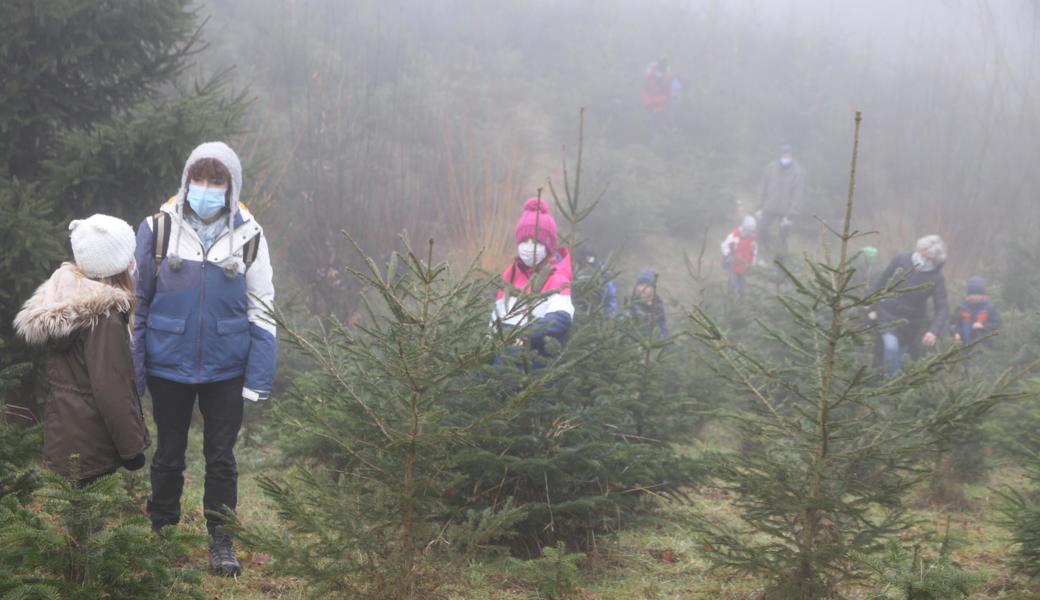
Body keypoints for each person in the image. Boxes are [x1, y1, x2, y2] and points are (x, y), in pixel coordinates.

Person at [133, 141, 276, 576]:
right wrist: (135, 370)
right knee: (168, 454)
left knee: (221, 458)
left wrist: (259, 375)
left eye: (217, 180)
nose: (207, 188)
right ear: (186, 180)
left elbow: (263, 307)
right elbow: (137, 304)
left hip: (226, 367)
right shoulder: (157, 228)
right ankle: (163, 532)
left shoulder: (249, 235)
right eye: (200, 178)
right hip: (168, 364)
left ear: (231, 186)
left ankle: (221, 539)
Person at [14, 215, 150, 488]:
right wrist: (132, 447)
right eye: (129, 258)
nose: (133, 264)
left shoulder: (63, 297)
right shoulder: (105, 319)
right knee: (89, 523)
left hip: (65, 436)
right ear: (115, 267)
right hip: (93, 443)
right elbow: (113, 390)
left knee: (71, 519)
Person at [492, 198, 574, 357]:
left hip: (538, 367)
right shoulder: (510, 276)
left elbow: (560, 318)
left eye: (535, 241)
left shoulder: (557, 278)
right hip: (504, 366)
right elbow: (496, 322)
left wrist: (525, 335)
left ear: (548, 245)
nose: (528, 247)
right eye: (524, 241)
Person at [866, 235, 949, 377]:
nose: (924, 259)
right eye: (923, 254)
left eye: (929, 258)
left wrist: (933, 331)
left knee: (898, 357)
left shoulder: (936, 278)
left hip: (911, 323)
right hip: (887, 313)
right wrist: (869, 303)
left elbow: (942, 307)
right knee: (891, 347)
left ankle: (889, 386)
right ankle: (891, 384)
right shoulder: (901, 259)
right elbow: (882, 280)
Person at [757, 144, 805, 260]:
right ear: (780, 155)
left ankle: (783, 261)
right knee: (762, 229)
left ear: (792, 156)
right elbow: (763, 186)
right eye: (784, 155)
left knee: (783, 236)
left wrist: (790, 215)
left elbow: (797, 194)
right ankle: (763, 254)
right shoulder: (770, 168)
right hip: (769, 206)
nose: (786, 158)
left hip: (786, 211)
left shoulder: (797, 172)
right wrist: (759, 206)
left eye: (788, 155)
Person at [951, 276, 1001, 348]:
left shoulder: (989, 308)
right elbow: (953, 324)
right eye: (971, 294)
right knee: (965, 325)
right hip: (964, 347)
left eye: (976, 294)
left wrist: (983, 326)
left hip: (983, 348)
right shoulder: (961, 307)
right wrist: (955, 333)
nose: (973, 297)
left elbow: (996, 323)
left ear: (982, 295)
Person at [572, 245, 618, 318]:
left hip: (596, 318)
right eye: (581, 265)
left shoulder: (603, 276)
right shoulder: (569, 274)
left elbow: (609, 298)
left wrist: (609, 319)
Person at [625, 268, 669, 340]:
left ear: (653, 288)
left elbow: (663, 327)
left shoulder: (658, 305)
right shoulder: (632, 305)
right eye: (640, 284)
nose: (642, 288)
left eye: (647, 285)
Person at [720, 215, 758, 298]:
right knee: (734, 286)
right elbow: (724, 246)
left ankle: (741, 302)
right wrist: (728, 256)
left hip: (744, 267)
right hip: (733, 265)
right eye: (749, 231)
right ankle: (733, 300)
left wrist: (752, 264)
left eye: (752, 231)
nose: (751, 233)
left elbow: (754, 253)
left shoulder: (752, 240)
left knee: (742, 287)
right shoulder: (735, 235)